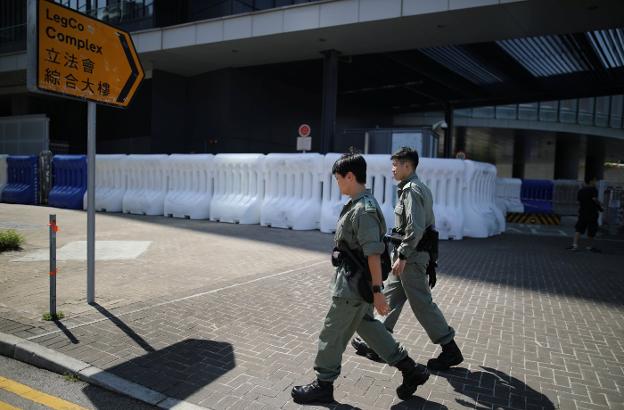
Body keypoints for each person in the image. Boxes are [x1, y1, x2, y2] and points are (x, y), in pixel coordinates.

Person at [291, 151, 429, 405]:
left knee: (332, 333)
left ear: (350, 176)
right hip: (357, 283)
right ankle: (411, 370)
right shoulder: (360, 203)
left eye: (339, 179)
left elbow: (374, 255)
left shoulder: (363, 209)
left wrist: (377, 291)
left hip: (353, 287)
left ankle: (323, 384)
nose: (338, 184)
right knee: (369, 327)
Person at [351, 147, 463, 371]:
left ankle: (450, 349)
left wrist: (402, 255)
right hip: (405, 255)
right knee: (390, 298)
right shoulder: (412, 188)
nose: (392, 169)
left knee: (422, 303)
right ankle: (379, 344)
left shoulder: (412, 190)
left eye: (396, 165)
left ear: (407, 166)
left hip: (411, 257)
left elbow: (416, 228)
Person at [568, 178, 603, 252]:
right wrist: (600, 204)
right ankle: (589, 246)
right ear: (591, 181)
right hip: (592, 213)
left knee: (579, 229)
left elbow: (579, 201)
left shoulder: (581, 190)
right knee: (592, 229)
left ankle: (574, 245)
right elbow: (594, 199)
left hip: (582, 212)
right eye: (595, 181)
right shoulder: (593, 189)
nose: (595, 182)